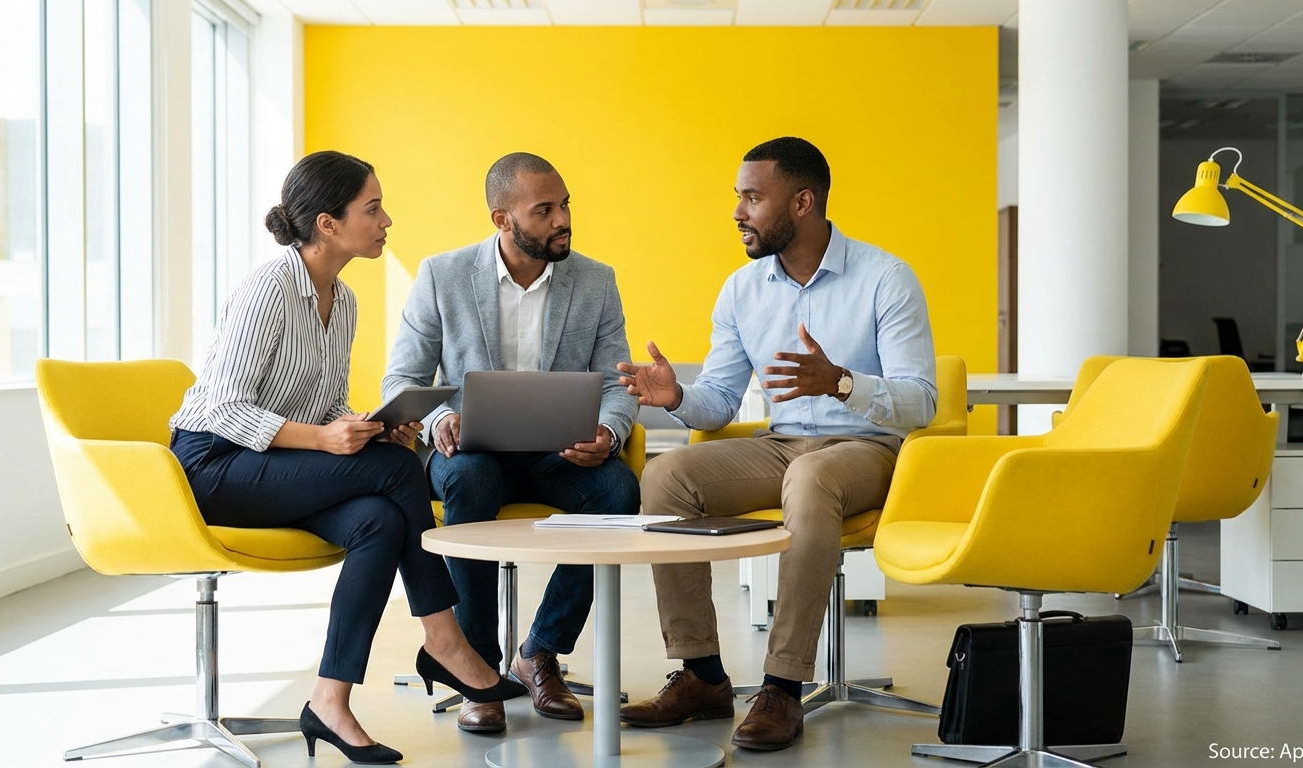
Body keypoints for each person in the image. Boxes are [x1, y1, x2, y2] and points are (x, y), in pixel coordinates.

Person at [169, 151, 526, 765]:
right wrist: (324, 441)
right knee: (393, 473)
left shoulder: (346, 300)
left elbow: (325, 402)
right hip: (214, 464)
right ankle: (446, 640)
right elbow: (225, 407)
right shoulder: (268, 289)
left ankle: (329, 700)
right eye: (373, 208)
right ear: (328, 224)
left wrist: (365, 426)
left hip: (279, 470)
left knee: (379, 519)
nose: (387, 220)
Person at [616, 137, 937, 752]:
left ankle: (783, 686)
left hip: (868, 448)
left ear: (803, 201)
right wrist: (676, 396)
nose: (738, 211)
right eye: (738, 196)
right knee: (665, 478)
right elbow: (719, 401)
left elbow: (921, 401)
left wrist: (842, 383)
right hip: (783, 443)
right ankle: (702, 675)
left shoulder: (886, 278)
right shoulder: (741, 289)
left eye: (753, 197)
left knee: (811, 479)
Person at [383, 152, 640, 733]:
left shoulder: (596, 281)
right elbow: (401, 379)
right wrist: (437, 419)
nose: (562, 220)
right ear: (502, 219)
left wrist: (608, 430)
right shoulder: (442, 276)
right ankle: (476, 670)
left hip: (561, 455)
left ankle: (540, 651)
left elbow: (618, 383)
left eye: (566, 204)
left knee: (620, 489)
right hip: (472, 453)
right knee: (469, 481)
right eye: (544, 210)